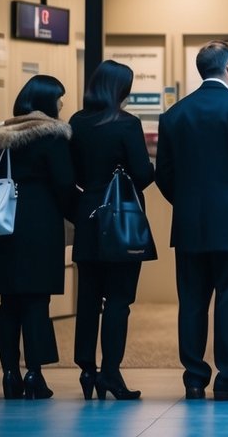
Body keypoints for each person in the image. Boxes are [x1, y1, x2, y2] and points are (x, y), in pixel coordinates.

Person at [156, 41, 228, 402]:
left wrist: (187, 204)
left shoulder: (174, 114)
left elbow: (164, 175)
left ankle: (193, 378)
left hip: (189, 226)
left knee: (191, 302)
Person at [0, 74, 74, 400]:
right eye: (59, 98)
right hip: (38, 227)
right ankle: (35, 374)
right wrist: (81, 216)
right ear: (47, 101)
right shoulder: (53, 137)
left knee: (9, 303)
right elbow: (64, 185)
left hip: (4, 227)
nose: (62, 104)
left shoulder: (4, 135)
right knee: (36, 302)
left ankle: (10, 375)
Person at [69, 60, 156, 401]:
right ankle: (110, 373)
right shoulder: (126, 123)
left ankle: (86, 370)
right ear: (120, 89)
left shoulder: (76, 121)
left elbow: (72, 173)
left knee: (89, 297)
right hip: (121, 219)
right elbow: (142, 174)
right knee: (119, 300)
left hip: (88, 216)